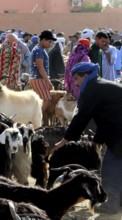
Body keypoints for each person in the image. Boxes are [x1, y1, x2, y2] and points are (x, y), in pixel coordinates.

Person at [55, 62, 122, 215]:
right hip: (117, 129)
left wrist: (65, 139)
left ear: (86, 75)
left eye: (77, 79)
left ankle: (111, 205)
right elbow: (105, 117)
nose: (76, 84)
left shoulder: (92, 88)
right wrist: (96, 141)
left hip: (120, 133)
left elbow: (82, 117)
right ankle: (118, 202)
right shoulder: (101, 85)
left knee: (111, 168)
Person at [29, 30, 55, 126]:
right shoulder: (39, 50)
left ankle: (38, 121)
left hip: (36, 78)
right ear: (43, 40)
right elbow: (40, 67)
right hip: (39, 79)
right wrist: (48, 82)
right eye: (49, 42)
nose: (50, 44)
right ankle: (34, 119)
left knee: (40, 101)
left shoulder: (38, 49)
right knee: (47, 100)